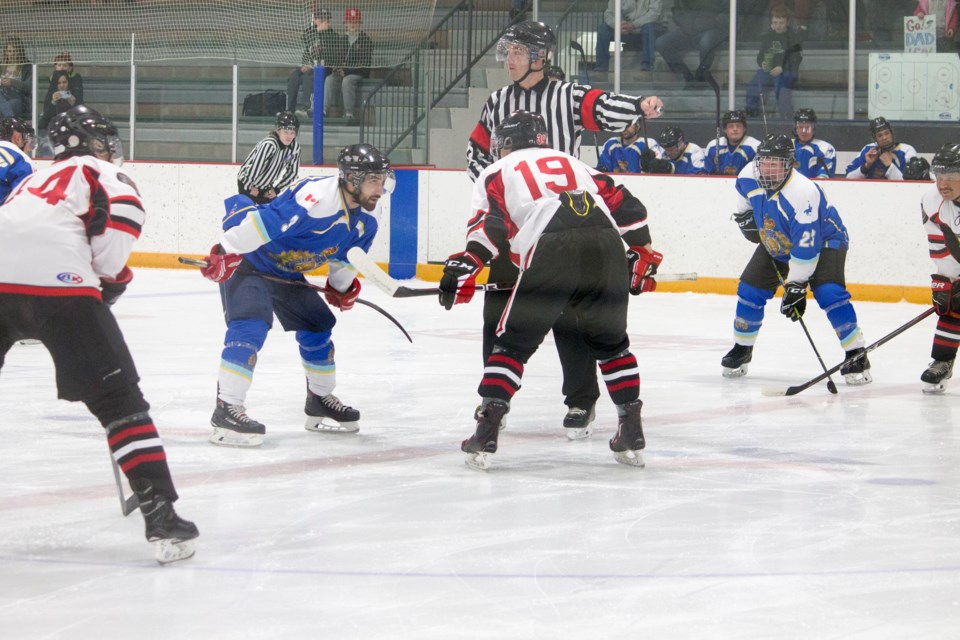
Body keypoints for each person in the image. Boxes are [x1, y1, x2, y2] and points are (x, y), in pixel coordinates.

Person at [0, 105, 198, 564]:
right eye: (105, 141)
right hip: (60, 288)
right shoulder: (101, 174)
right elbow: (117, 234)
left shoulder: (30, 180)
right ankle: (161, 516)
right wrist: (110, 280)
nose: (110, 150)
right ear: (89, 146)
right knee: (119, 403)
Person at [465, 20, 664, 435]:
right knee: (498, 314)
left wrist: (639, 104)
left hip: (563, 218)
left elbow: (604, 106)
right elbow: (476, 152)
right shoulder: (497, 100)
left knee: (573, 318)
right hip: (516, 222)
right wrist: (499, 190)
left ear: (540, 56)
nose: (510, 59)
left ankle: (581, 401)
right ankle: (492, 403)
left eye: (518, 51)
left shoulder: (565, 95)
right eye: (509, 51)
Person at [439, 111, 662, 469]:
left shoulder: (497, 170)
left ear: (506, 142)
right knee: (612, 344)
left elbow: (490, 224)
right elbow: (628, 207)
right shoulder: (571, 161)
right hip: (605, 243)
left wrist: (470, 260)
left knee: (512, 343)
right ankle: (630, 428)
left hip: (552, 242)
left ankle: (486, 430)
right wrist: (642, 251)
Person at [199, 144, 394, 447]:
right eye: (373, 181)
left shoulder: (371, 214)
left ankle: (319, 399)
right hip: (252, 262)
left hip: (287, 272)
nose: (380, 189)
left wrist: (341, 288)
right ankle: (226, 408)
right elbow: (263, 225)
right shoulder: (315, 197)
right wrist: (226, 250)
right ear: (351, 179)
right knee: (251, 324)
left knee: (317, 323)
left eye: (383, 181)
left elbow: (347, 257)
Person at [722, 134, 872, 385]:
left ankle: (856, 353)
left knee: (829, 292)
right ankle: (742, 348)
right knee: (749, 288)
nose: (767, 168)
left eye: (775, 163)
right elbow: (744, 204)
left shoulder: (803, 192)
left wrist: (796, 286)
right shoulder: (748, 174)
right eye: (764, 161)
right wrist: (745, 219)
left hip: (825, 241)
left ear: (789, 164)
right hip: (777, 237)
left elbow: (807, 248)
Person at [919, 142, 960, 393]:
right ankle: (943, 360)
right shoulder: (931, 201)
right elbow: (942, 249)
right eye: (939, 175)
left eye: (952, 176)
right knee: (953, 302)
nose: (943, 183)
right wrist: (948, 283)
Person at [744, 4, 803, 118]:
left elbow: (796, 58)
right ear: (771, 23)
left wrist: (781, 67)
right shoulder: (767, 37)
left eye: (781, 22)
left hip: (786, 72)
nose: (778, 26)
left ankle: (786, 119)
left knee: (781, 92)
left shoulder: (794, 37)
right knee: (753, 87)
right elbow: (760, 56)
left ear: (787, 22)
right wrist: (762, 63)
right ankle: (752, 115)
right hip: (768, 71)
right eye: (775, 22)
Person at [287, 8, 344, 117]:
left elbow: (331, 57)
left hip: (323, 68)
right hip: (308, 65)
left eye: (325, 19)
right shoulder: (311, 32)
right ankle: (289, 109)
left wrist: (312, 66)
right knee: (294, 76)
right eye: (320, 19)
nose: (323, 21)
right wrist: (317, 31)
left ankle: (306, 108)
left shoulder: (333, 36)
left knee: (309, 76)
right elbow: (305, 39)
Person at [655, 0, 729, 84]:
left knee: (706, 42)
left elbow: (728, 14)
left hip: (712, 29)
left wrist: (707, 23)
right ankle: (686, 76)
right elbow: (677, 12)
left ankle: (701, 76)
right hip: (689, 30)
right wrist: (687, 25)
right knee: (661, 42)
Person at [237, 111, 301, 204]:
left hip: (266, 188)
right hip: (247, 183)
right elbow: (256, 167)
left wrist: (276, 189)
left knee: (268, 217)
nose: (289, 136)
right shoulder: (269, 145)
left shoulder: (294, 148)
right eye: (286, 132)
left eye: (292, 132)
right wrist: (248, 187)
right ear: (278, 130)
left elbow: (292, 173)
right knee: (248, 216)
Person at [324, 7, 374, 123]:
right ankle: (323, 109)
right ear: (345, 24)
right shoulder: (341, 40)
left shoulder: (365, 40)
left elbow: (364, 64)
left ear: (359, 23)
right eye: (350, 22)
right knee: (329, 79)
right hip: (342, 72)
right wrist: (336, 67)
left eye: (355, 22)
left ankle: (349, 113)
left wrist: (346, 71)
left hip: (357, 73)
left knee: (347, 80)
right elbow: (336, 58)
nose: (352, 24)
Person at [594, 0, 664, 75]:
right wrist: (617, 24)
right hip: (624, 29)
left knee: (649, 28)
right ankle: (601, 68)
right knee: (603, 29)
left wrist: (634, 24)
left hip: (646, 29)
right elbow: (609, 13)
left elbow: (655, 14)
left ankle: (647, 68)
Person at [845, 116, 917, 180]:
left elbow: (910, 184)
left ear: (891, 133)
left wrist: (890, 166)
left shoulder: (907, 151)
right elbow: (848, 177)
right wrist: (866, 166)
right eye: (880, 135)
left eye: (887, 133)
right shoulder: (868, 150)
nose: (884, 138)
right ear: (875, 139)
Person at [704, 110, 761, 176]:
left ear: (744, 128)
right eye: (731, 126)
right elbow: (707, 174)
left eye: (738, 126)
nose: (735, 129)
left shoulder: (755, 146)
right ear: (725, 129)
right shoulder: (713, 146)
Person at [596, 117, 663, 173]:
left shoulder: (649, 144)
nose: (624, 128)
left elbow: (658, 169)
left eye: (628, 124)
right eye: (621, 124)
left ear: (637, 126)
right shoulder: (611, 144)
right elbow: (602, 170)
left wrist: (650, 164)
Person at [39, 53, 84, 131]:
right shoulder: (53, 83)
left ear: (70, 68)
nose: (62, 68)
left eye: (64, 65)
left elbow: (79, 103)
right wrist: (53, 102)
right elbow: (46, 114)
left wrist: (72, 101)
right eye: (59, 65)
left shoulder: (76, 79)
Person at [792, 108, 836, 178]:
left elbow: (824, 179)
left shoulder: (825, 148)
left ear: (814, 127)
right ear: (795, 128)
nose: (804, 131)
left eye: (807, 127)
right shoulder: (787, 147)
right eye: (800, 127)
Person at [0, 116, 34, 202]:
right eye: (29, 142)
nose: (29, 149)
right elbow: (22, 202)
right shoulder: (21, 161)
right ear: (17, 139)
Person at [0, 36, 31, 119]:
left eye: (14, 51)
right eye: (9, 51)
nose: (12, 54)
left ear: (20, 52)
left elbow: (28, 87)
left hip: (17, 97)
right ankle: (12, 122)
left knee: (7, 107)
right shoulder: (1, 65)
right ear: (5, 52)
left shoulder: (27, 66)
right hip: (2, 95)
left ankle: (10, 122)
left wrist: (12, 82)